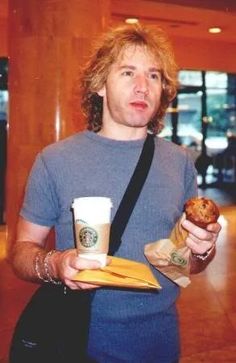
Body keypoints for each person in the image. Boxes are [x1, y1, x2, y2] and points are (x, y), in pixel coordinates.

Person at [10, 24, 221, 363]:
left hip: (161, 345)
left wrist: (202, 251)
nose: (143, 86)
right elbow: (20, 252)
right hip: (78, 342)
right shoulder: (55, 160)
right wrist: (56, 263)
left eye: (154, 76)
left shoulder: (178, 161)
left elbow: (182, 263)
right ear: (99, 85)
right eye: (128, 72)